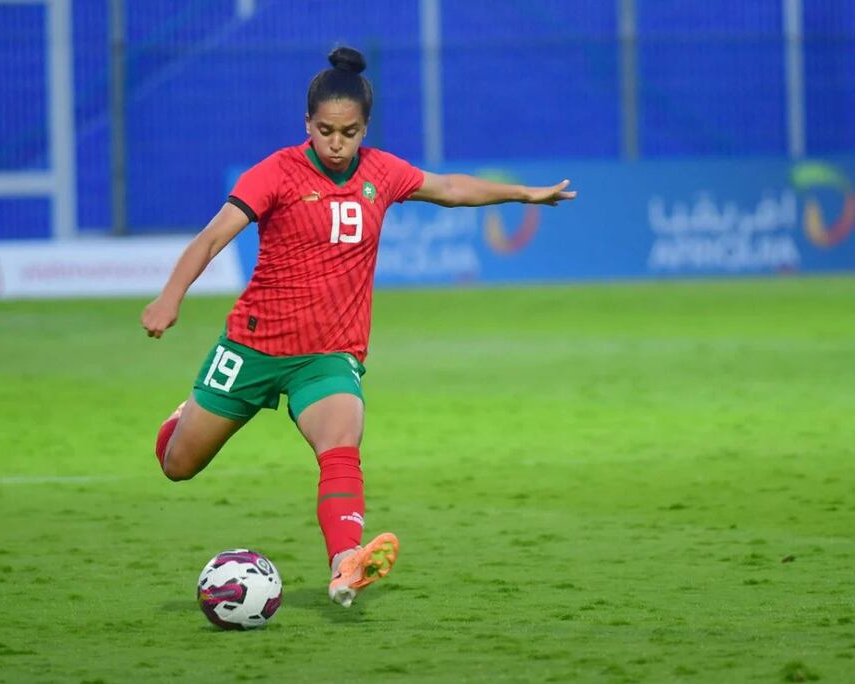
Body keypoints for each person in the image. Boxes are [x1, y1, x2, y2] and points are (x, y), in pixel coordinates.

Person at [141, 46, 576, 609]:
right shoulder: (275, 173)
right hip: (253, 345)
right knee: (178, 465)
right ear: (307, 125)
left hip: (328, 355)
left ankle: (345, 565)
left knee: (341, 442)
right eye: (325, 130)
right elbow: (210, 239)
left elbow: (448, 189)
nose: (337, 143)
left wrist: (522, 193)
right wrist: (169, 297)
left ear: (364, 128)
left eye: (349, 132)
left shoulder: (382, 172)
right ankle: (183, 418)